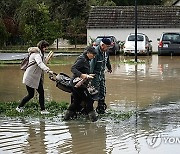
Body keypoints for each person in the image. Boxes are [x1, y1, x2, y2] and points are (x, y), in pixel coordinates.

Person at [16, 40, 53, 114]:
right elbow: (39, 63)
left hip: (35, 78)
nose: (46, 49)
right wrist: (48, 70)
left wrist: (49, 58)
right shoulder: (36, 55)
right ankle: (19, 107)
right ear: (42, 47)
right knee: (31, 95)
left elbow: (42, 63)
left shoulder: (39, 54)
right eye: (46, 48)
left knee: (40, 93)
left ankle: (42, 110)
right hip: (30, 77)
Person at [64, 46, 98, 122]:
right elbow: (73, 68)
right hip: (77, 84)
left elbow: (82, 69)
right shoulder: (82, 59)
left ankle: (66, 118)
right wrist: (82, 75)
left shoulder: (86, 59)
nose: (94, 56)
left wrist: (88, 74)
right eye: (93, 54)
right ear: (88, 53)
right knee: (89, 100)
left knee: (77, 101)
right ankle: (93, 120)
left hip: (79, 83)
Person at [90, 38, 112, 114]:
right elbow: (91, 66)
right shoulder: (95, 53)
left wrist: (109, 68)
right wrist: (89, 77)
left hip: (101, 75)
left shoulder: (106, 52)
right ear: (102, 45)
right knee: (94, 92)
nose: (108, 48)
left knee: (102, 92)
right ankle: (89, 109)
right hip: (94, 76)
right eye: (107, 46)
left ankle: (101, 108)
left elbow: (107, 60)